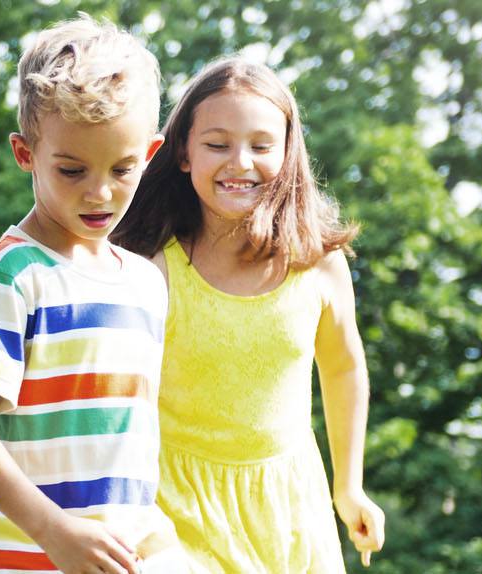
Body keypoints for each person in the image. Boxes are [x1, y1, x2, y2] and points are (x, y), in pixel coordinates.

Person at [111, 57, 386, 572]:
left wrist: (348, 487)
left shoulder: (318, 263)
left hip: (291, 510)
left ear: (287, 154)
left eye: (261, 146)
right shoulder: (149, 265)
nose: (240, 162)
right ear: (184, 154)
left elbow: (344, 367)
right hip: (172, 510)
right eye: (217, 144)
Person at [0, 15, 186, 574]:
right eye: (71, 170)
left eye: (122, 169)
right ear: (25, 154)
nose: (99, 192)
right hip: (23, 561)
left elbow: (127, 437)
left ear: (150, 153)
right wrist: (54, 531)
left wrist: (155, 534)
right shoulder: (11, 276)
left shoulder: (145, 282)